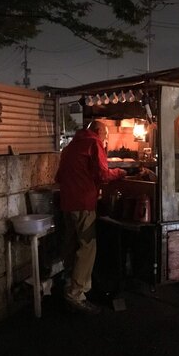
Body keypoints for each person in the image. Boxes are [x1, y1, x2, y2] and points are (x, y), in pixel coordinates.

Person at [55, 120, 126, 314]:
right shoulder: (93, 143)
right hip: (83, 204)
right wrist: (120, 172)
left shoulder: (70, 147)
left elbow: (58, 177)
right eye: (105, 135)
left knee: (71, 244)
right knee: (87, 248)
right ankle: (76, 294)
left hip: (67, 204)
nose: (105, 139)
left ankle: (69, 282)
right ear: (97, 131)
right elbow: (103, 175)